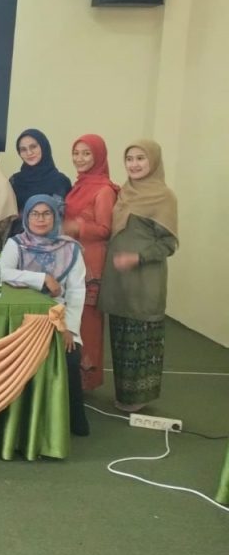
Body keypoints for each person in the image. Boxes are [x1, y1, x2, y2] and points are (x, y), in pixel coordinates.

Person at [100, 140, 178, 412]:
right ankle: (125, 394)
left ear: (153, 161)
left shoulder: (164, 197)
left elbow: (169, 244)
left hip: (145, 281)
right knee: (121, 339)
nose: (134, 164)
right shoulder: (125, 192)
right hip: (119, 280)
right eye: (129, 158)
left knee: (141, 340)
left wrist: (138, 257)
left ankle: (140, 396)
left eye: (141, 158)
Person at [1, 195, 89, 436]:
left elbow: (77, 291)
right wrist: (41, 278)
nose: (40, 219)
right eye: (35, 214)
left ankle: (68, 423)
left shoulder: (70, 249)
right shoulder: (16, 244)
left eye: (46, 213)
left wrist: (69, 328)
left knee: (69, 357)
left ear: (56, 217)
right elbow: (2, 273)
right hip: (22, 317)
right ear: (27, 217)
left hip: (57, 317)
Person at [62, 134, 119, 391]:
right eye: (76, 153)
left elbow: (106, 229)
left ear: (99, 156)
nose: (80, 158)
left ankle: (85, 381)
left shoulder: (104, 189)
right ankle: (70, 377)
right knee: (71, 316)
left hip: (91, 262)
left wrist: (77, 226)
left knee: (88, 322)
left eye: (86, 153)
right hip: (73, 257)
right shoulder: (80, 185)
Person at [8, 129, 72, 235]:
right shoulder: (15, 181)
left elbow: (64, 217)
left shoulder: (61, 181)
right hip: (19, 240)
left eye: (33, 147)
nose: (29, 153)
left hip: (53, 241)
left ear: (43, 147)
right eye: (23, 149)